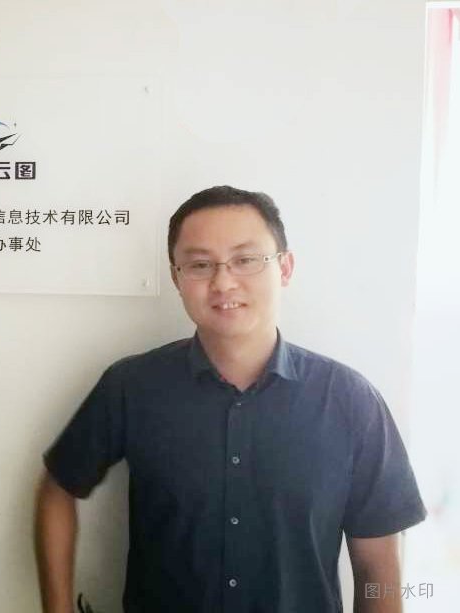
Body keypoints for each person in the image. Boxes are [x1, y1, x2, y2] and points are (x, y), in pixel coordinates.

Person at [35, 186, 426, 613]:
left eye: (246, 259)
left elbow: (378, 567)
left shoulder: (351, 401)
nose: (223, 282)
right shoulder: (131, 386)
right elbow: (58, 488)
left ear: (285, 268)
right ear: (177, 278)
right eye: (200, 264)